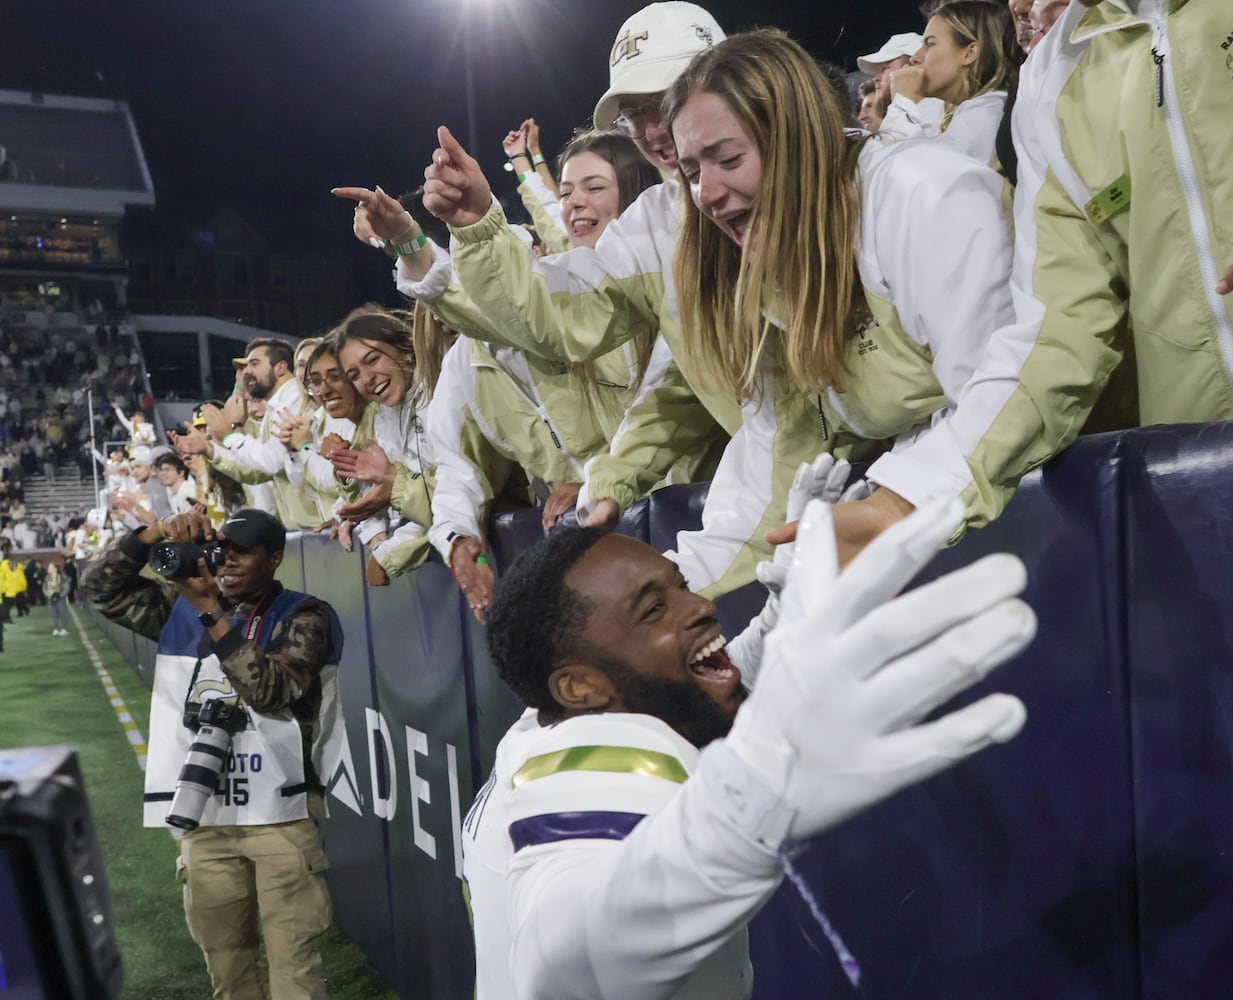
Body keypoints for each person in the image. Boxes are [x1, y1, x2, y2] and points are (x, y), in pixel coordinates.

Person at [431, 28, 1014, 593]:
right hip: (901, 504)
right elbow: (770, 424)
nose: (653, 129)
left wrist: (903, 493)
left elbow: (1016, 382)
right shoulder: (708, 225)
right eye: (633, 115)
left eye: (664, 101)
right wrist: (671, 593)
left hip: (990, 500)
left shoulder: (918, 196)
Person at [469, 495, 1035, 999]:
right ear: (580, 687)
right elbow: (566, 965)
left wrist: (783, 617)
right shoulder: (601, 757)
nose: (700, 607)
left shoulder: (551, 720)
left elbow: (681, 692)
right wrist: (742, 817)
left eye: (680, 585)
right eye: (652, 609)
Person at [84, 507, 344, 999]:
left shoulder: (305, 615)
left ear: (275, 558)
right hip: (204, 816)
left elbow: (269, 691)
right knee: (228, 972)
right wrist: (154, 533)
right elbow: (100, 587)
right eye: (221, 548)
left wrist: (210, 613)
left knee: (295, 974)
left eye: (242, 552)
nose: (227, 560)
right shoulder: (177, 607)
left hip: (279, 818)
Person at [882, 0, 1022, 166]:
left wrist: (902, 101)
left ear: (969, 53)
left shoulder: (988, 113)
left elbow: (912, 173)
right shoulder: (973, 110)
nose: (915, 58)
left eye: (930, 44)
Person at [43, 559, 69, 636]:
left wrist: (60, 595)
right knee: (53, 614)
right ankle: (56, 629)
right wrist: (49, 594)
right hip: (50, 598)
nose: (48, 569)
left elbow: (66, 587)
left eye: (50, 567)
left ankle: (64, 629)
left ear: (55, 568)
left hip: (60, 598)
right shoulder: (47, 577)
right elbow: (44, 588)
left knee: (62, 613)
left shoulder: (62, 577)